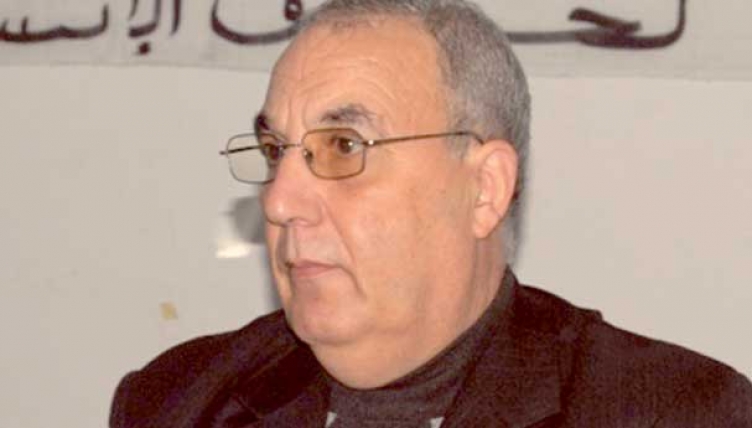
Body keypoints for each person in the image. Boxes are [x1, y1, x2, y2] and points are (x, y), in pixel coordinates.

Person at [110, 1, 752, 427]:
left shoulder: (673, 412)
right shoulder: (176, 401)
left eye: (343, 147)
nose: (279, 201)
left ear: (484, 190)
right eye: (277, 151)